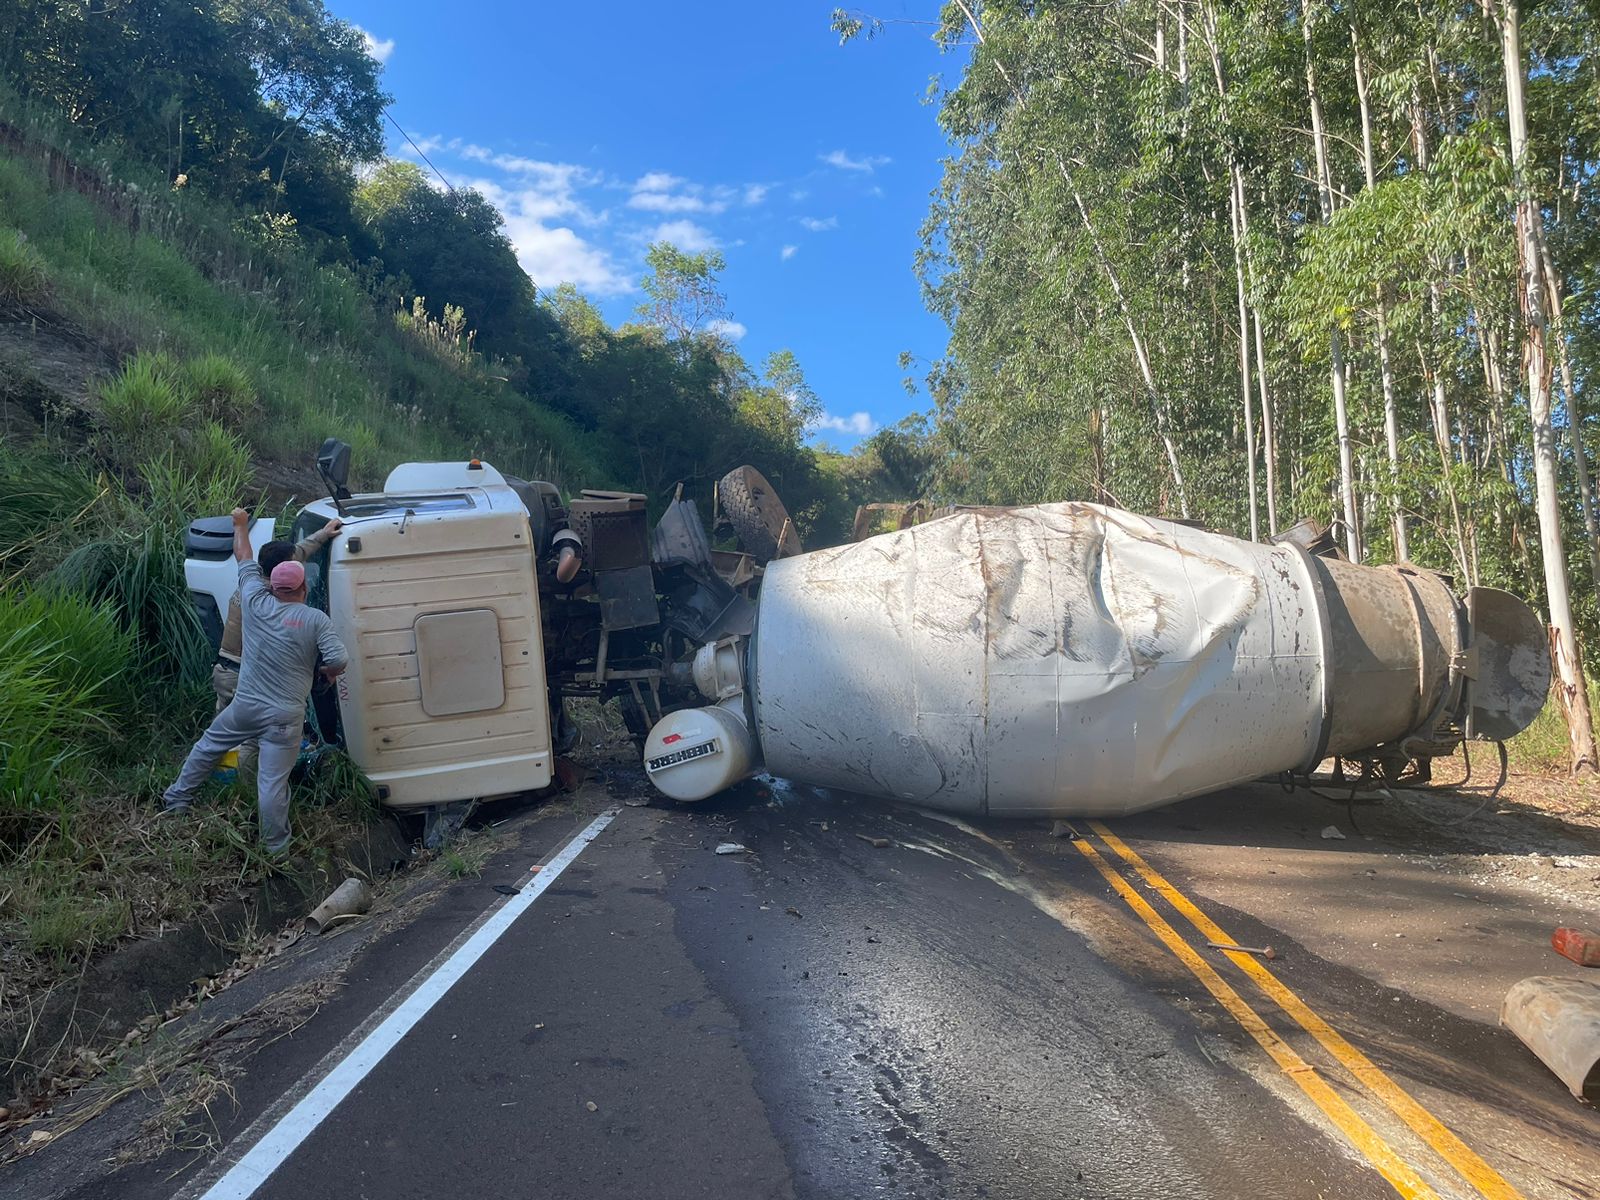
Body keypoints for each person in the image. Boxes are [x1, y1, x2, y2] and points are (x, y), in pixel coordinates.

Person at [164, 508, 348, 853]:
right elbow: (338, 659)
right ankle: (275, 848)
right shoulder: (314, 619)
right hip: (284, 717)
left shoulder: (252, 598)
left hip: (245, 703)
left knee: (208, 746)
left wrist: (238, 524)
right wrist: (328, 673)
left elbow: (244, 554)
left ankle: (176, 799)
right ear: (304, 586)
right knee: (272, 782)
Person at [212, 519, 343, 780]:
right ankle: (245, 791)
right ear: (280, 573)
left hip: (223, 670)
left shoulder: (251, 584)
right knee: (253, 742)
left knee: (223, 734)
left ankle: (216, 781)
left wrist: (323, 534)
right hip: (244, 678)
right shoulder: (270, 600)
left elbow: (298, 551)